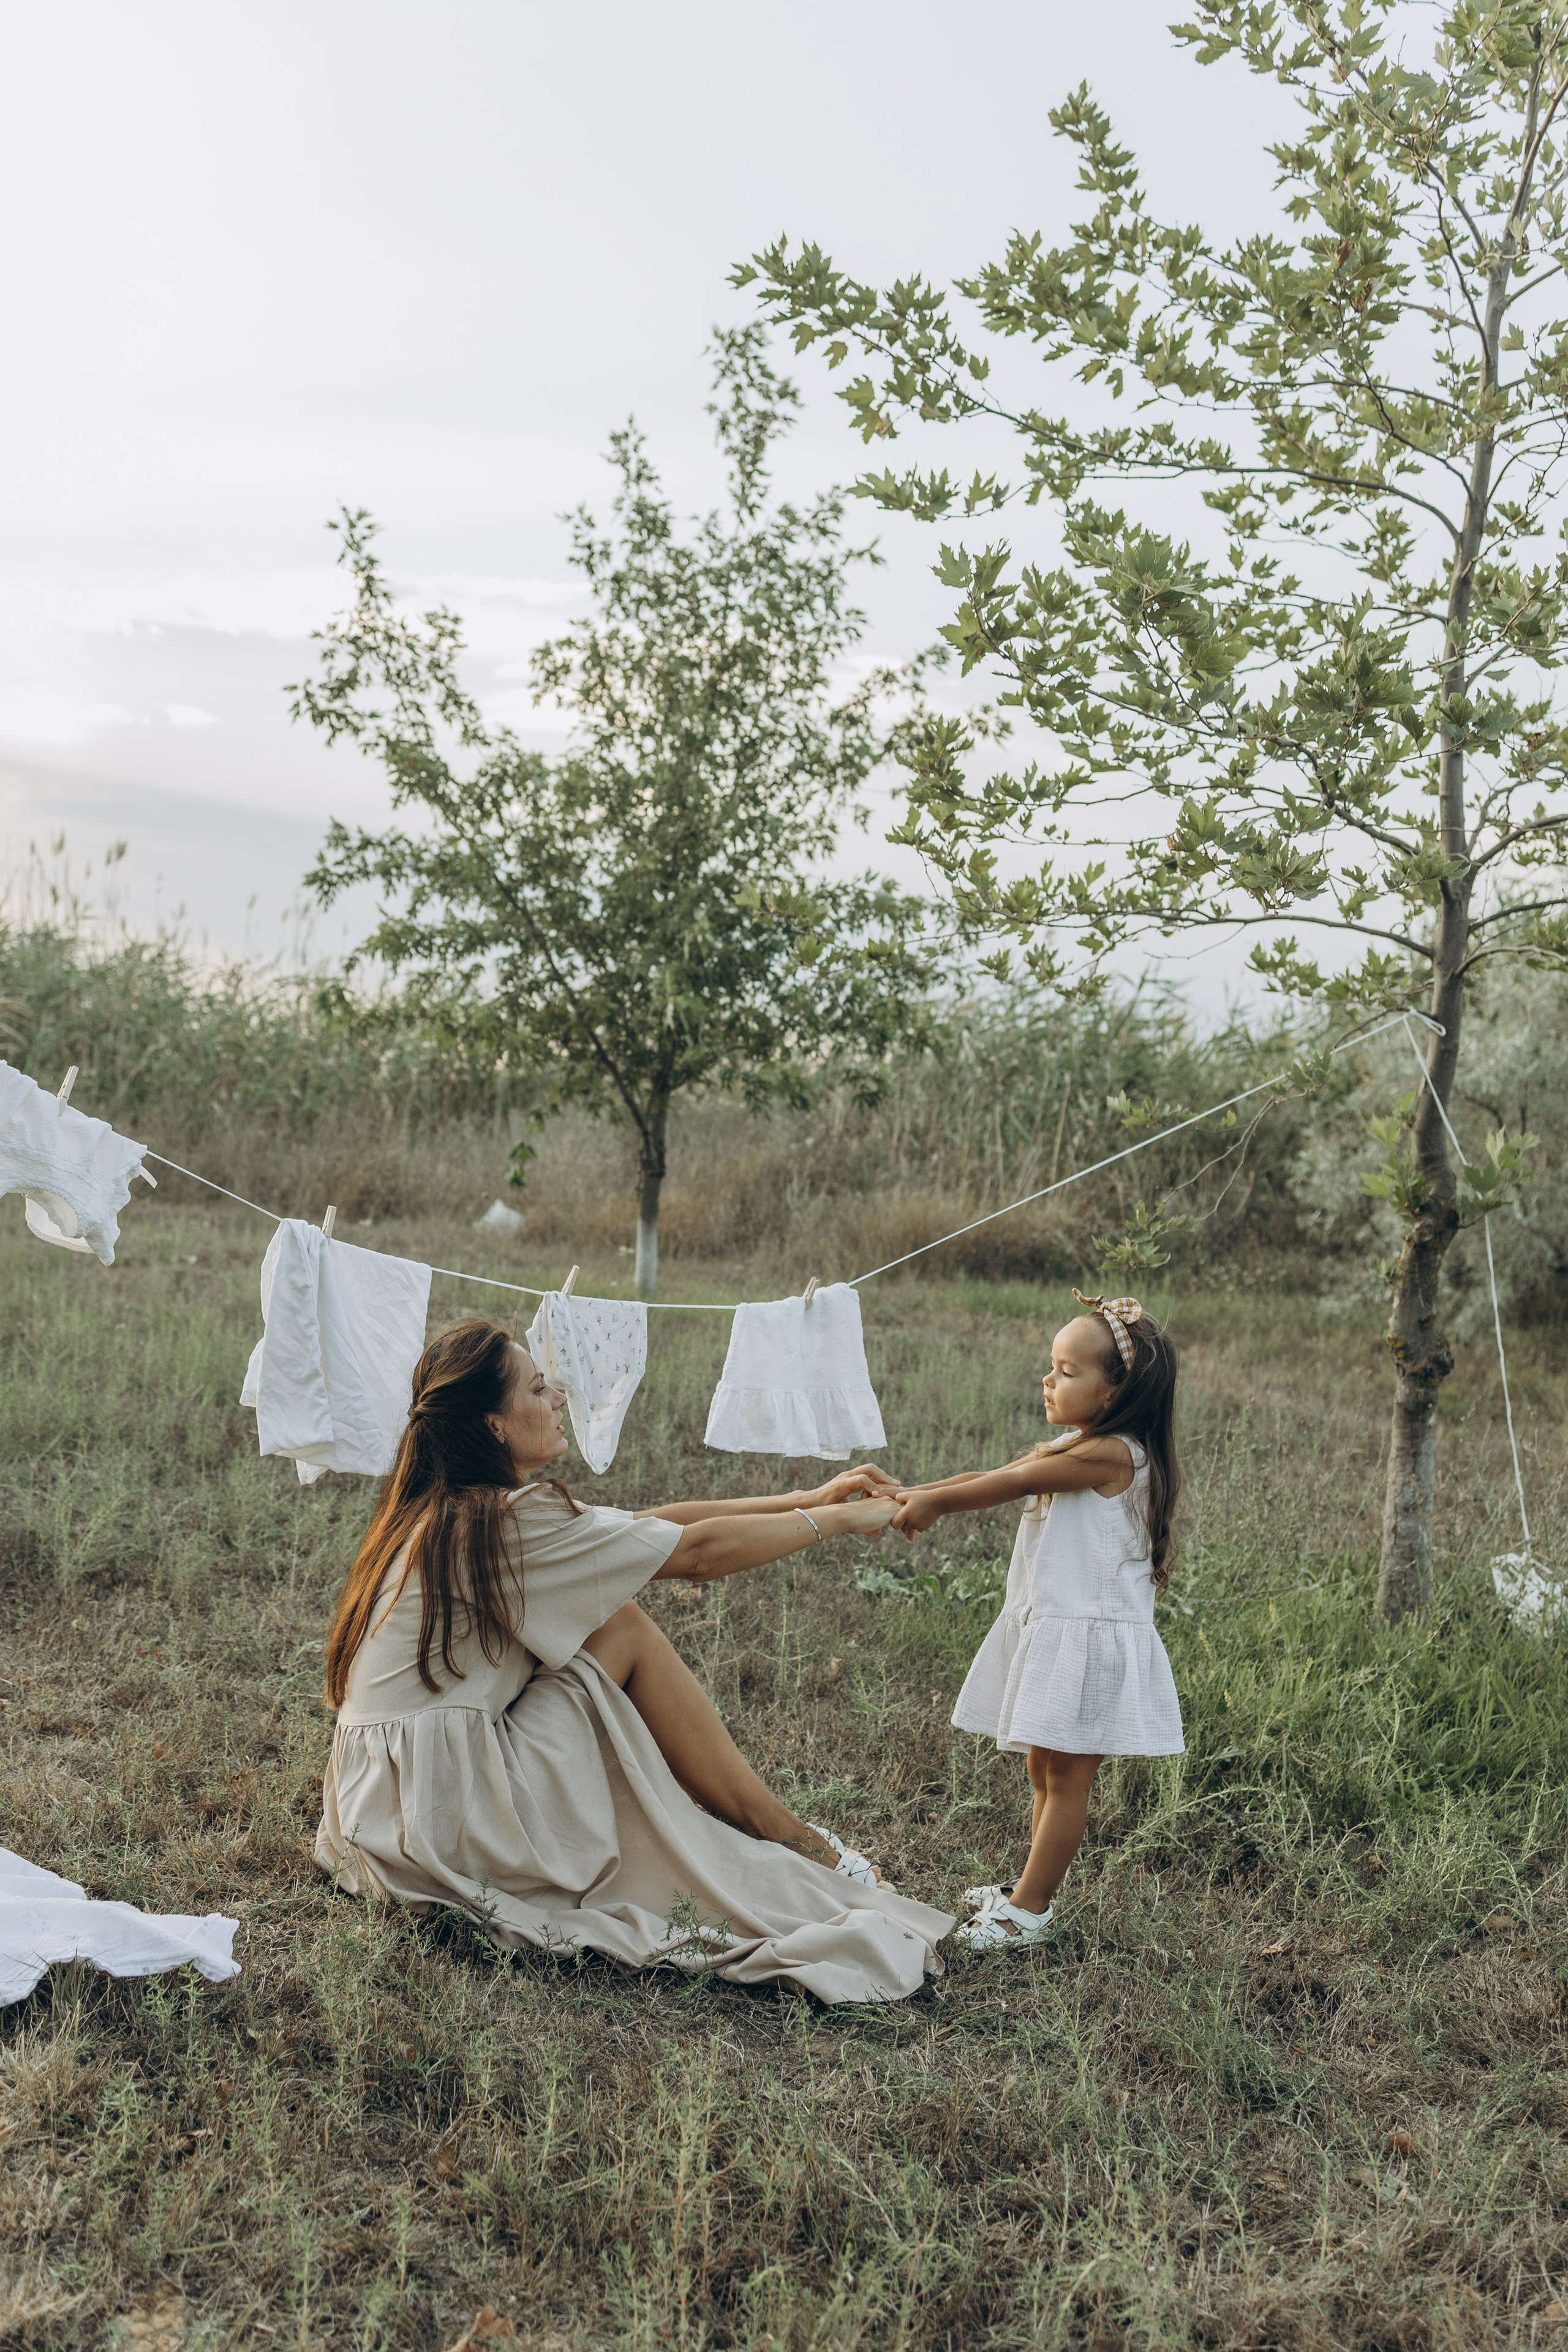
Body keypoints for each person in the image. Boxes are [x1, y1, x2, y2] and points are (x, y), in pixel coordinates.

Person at [315, 1319, 952, 2002]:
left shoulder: (440, 1509)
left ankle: (767, 1826)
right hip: (448, 1824)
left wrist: (806, 1498)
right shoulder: (502, 1523)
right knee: (621, 1624)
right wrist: (841, 1522)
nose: (557, 1398)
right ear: (495, 1426)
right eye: (538, 1389)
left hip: (376, 1813)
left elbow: (645, 1526)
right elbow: (695, 1554)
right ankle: (784, 1834)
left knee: (606, 1611)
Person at [889, 1291, 1183, 1951]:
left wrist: (938, 1504)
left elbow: (1017, 1484)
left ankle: (1031, 1910)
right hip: (1061, 1630)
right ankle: (1027, 1889)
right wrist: (918, 1493)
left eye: (1067, 1370)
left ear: (1115, 1391)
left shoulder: (1115, 1457)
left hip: (1089, 1639)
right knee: (1043, 1769)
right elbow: (1005, 1472)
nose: (1048, 1379)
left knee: (1068, 1776)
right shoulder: (1077, 1448)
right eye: (1051, 1365)